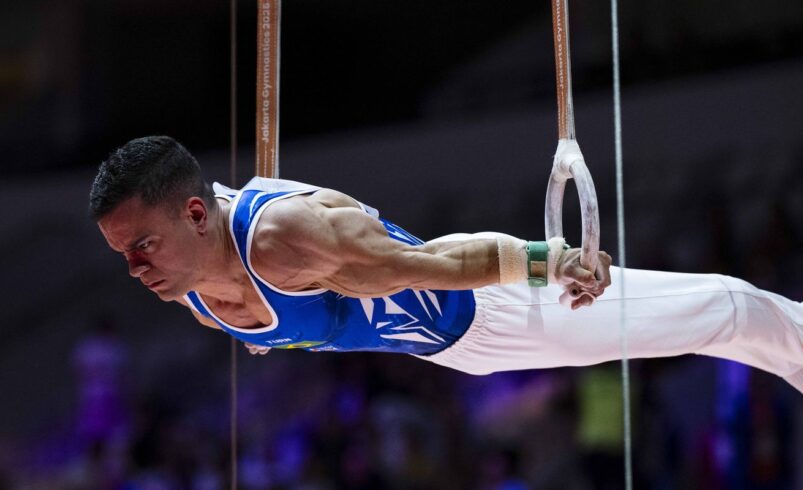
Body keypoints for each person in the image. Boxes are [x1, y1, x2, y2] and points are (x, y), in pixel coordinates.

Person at [89, 136, 803, 394]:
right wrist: (266, 333)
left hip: (492, 306)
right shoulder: (189, 289)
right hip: (452, 353)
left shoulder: (285, 240)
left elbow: (429, 262)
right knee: (723, 322)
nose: (134, 269)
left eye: (142, 246)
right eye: (123, 254)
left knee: (727, 307)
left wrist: (544, 260)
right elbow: (279, 319)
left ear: (194, 214)